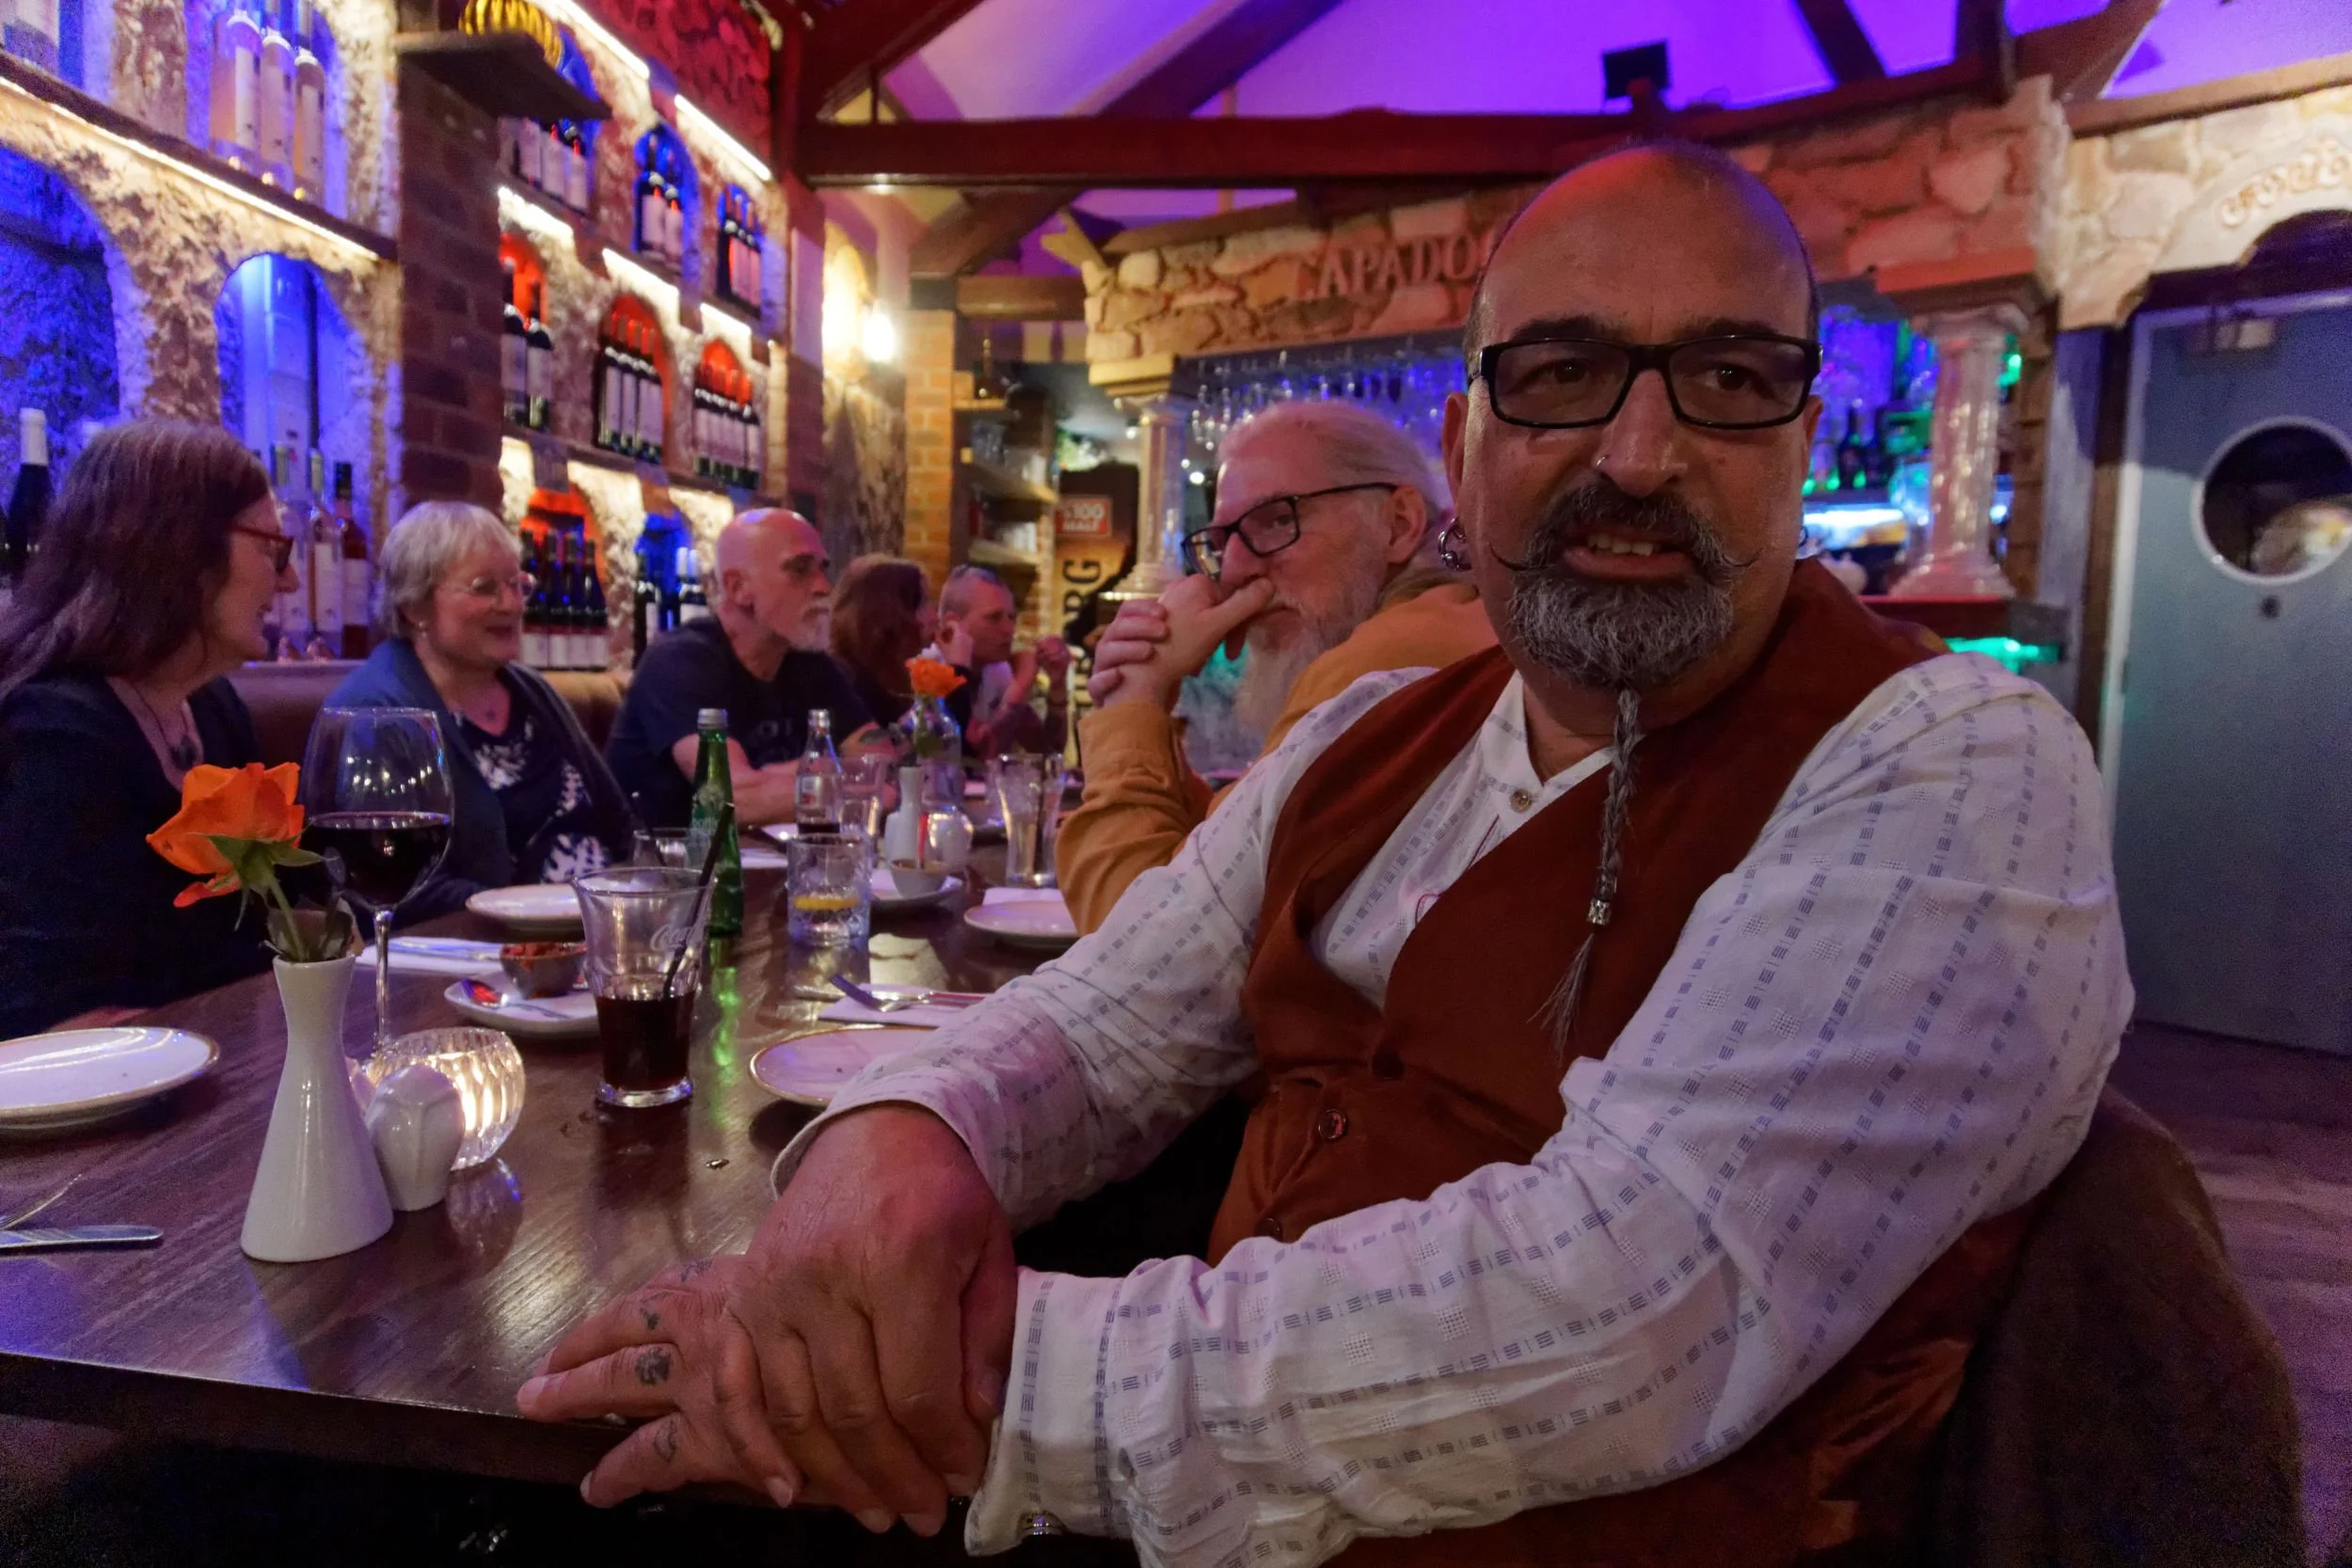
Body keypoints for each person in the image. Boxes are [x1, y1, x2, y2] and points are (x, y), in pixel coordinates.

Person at [520, 143, 2133, 1568]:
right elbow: (1110, 1015)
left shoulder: (1956, 760)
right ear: (1470, 433)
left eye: (1724, 379)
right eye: (1563, 373)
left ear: (1803, 426)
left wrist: (982, 1377)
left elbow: (1646, 1307)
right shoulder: (1377, 736)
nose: (1638, 453)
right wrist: (904, 1128)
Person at [1058, 400, 1496, 932]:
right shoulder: (1449, 623)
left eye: (1275, 520)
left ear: (1399, 524)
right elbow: (1228, 870)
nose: (1238, 569)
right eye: (1221, 543)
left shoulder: (1378, 671)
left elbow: (1141, 948)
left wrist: (1135, 699)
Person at [0, 422, 294, 1037]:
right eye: (273, 548)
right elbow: (55, 1020)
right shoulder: (52, 738)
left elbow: (272, 931)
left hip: (220, 1086)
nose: (288, 580)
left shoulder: (212, 707)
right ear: (180, 548)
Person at [326, 501, 635, 919]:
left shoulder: (532, 692)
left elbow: (619, 826)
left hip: (595, 938)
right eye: (485, 587)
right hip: (478, 959)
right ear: (414, 607)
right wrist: (548, 913)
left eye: (516, 584)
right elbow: (399, 889)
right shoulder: (377, 713)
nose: (511, 604)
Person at [606, 508, 880, 829]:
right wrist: (838, 776)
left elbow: (880, 761)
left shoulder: (807, 661)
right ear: (738, 588)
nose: (823, 586)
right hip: (671, 870)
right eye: (800, 569)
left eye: (823, 569)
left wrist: (793, 778)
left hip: (773, 867)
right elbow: (732, 799)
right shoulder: (681, 662)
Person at [929, 564, 1071, 758]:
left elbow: (1047, 755)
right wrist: (1019, 689)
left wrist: (1058, 684)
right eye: (994, 618)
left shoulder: (996, 670)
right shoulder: (927, 670)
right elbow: (974, 757)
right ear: (953, 623)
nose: (1008, 629)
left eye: (1011, 617)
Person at [828, 554, 934, 729]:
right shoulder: (847, 684)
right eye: (924, 603)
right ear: (889, 614)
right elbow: (939, 746)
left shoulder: (890, 676)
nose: (934, 616)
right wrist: (960, 672)